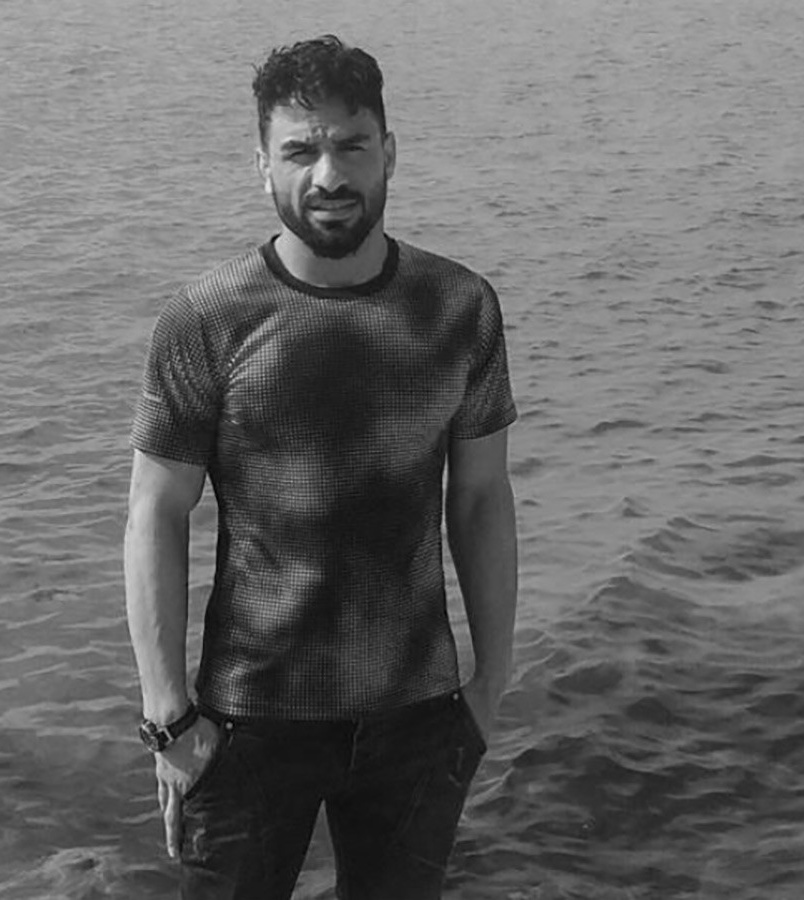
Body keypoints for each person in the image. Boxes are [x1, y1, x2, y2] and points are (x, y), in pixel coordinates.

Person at [123, 34, 518, 900]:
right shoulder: (208, 319)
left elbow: (482, 497)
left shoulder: (457, 307)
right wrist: (168, 717)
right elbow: (156, 512)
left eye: (351, 145)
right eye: (301, 150)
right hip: (246, 723)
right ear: (262, 165)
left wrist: (491, 683)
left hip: (418, 717)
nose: (329, 174)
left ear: (389, 152)